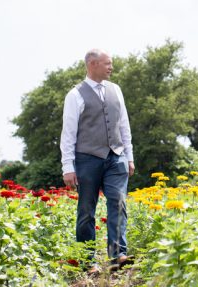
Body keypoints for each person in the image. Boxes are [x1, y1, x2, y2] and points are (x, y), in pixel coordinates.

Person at [60, 49, 135, 272]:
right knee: (86, 211)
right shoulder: (75, 95)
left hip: (116, 157)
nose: (111, 67)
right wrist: (68, 166)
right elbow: (68, 133)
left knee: (118, 203)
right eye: (107, 64)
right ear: (92, 64)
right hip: (87, 159)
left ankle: (118, 255)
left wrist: (129, 156)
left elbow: (124, 126)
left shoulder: (116, 90)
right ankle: (87, 261)